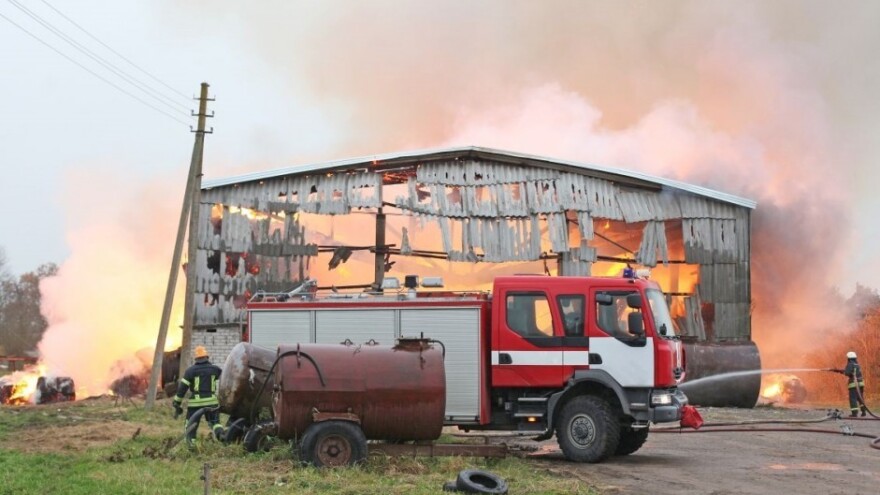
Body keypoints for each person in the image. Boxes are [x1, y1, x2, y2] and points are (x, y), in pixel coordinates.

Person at [173, 346, 224, 445]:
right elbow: (226, 379)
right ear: (207, 357)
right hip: (211, 401)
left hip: (195, 403)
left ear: (196, 359)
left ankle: (190, 444)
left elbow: (182, 389)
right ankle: (221, 435)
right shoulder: (215, 369)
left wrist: (176, 402)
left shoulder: (190, 371)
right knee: (215, 422)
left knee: (191, 423)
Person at [835, 351, 867, 417]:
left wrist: (841, 371)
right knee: (860, 398)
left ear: (849, 358)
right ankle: (863, 412)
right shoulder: (857, 364)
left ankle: (854, 413)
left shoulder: (850, 364)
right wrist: (839, 371)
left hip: (854, 384)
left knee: (853, 398)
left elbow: (847, 373)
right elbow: (851, 372)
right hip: (860, 383)